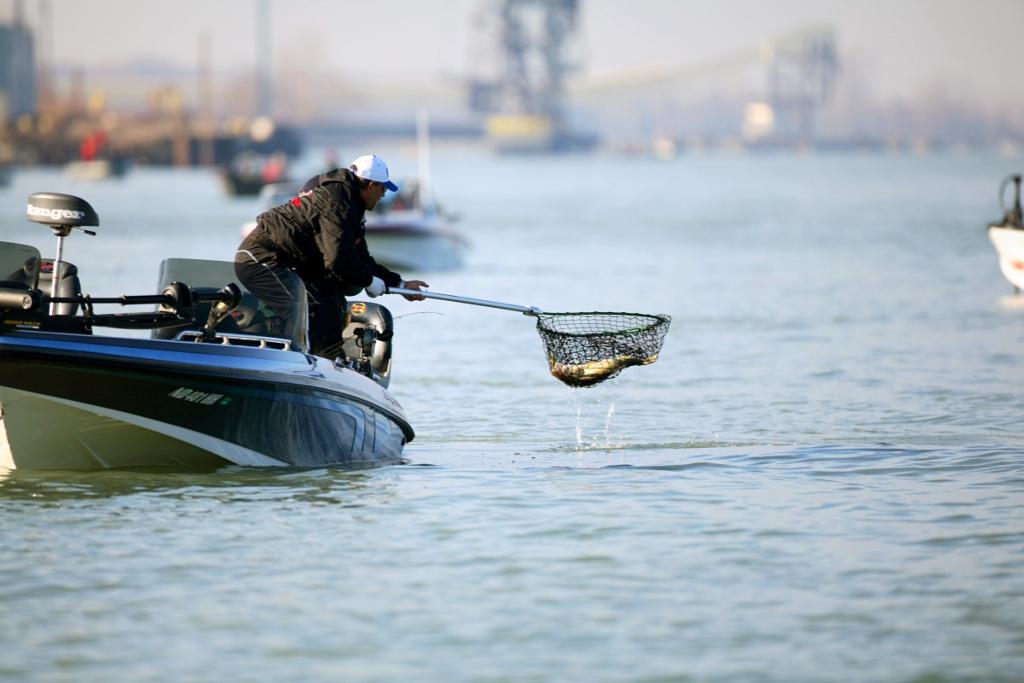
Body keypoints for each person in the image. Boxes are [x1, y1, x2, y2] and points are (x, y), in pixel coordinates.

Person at [234, 154, 427, 354]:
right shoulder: (337, 204)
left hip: (286, 262)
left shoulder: (350, 205)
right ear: (371, 186)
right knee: (302, 307)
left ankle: (330, 360)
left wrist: (400, 284)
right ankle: (296, 360)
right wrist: (369, 281)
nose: (384, 195)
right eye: (383, 188)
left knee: (330, 301)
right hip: (259, 259)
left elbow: (360, 258)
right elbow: (338, 259)